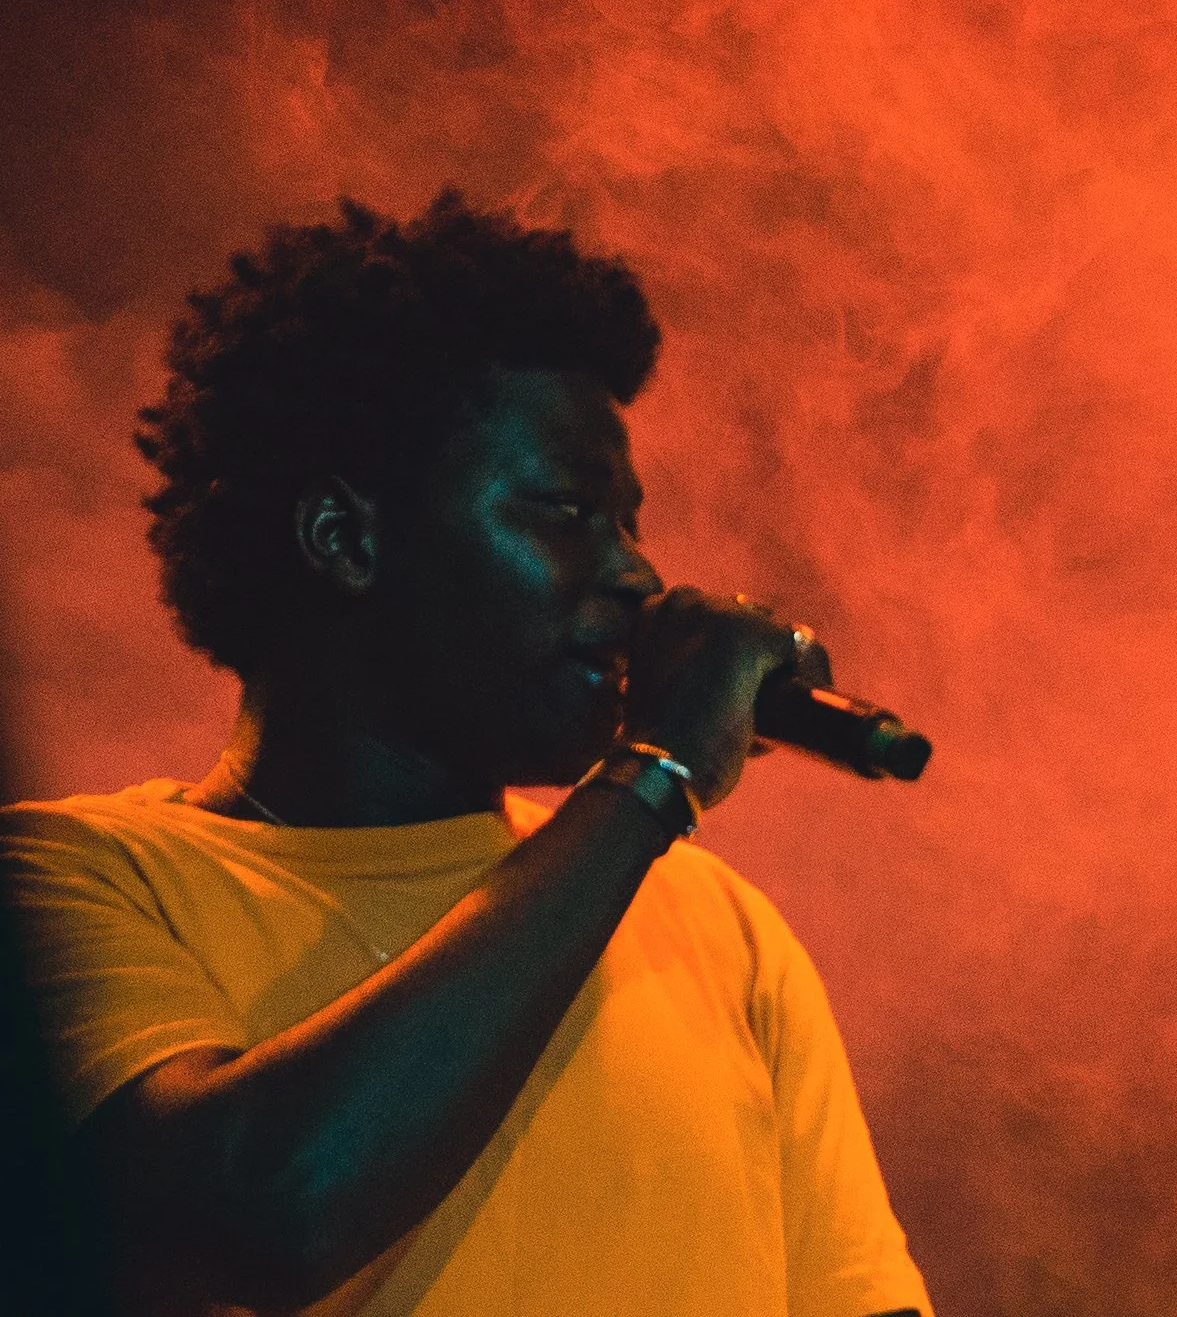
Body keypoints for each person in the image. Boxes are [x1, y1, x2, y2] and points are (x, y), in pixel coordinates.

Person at [0, 194, 931, 1317]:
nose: (637, 576)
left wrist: (645, 800)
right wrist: (653, 775)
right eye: (567, 512)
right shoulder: (75, 884)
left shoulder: (717, 926)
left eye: (630, 520)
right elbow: (273, 1213)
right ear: (347, 540)